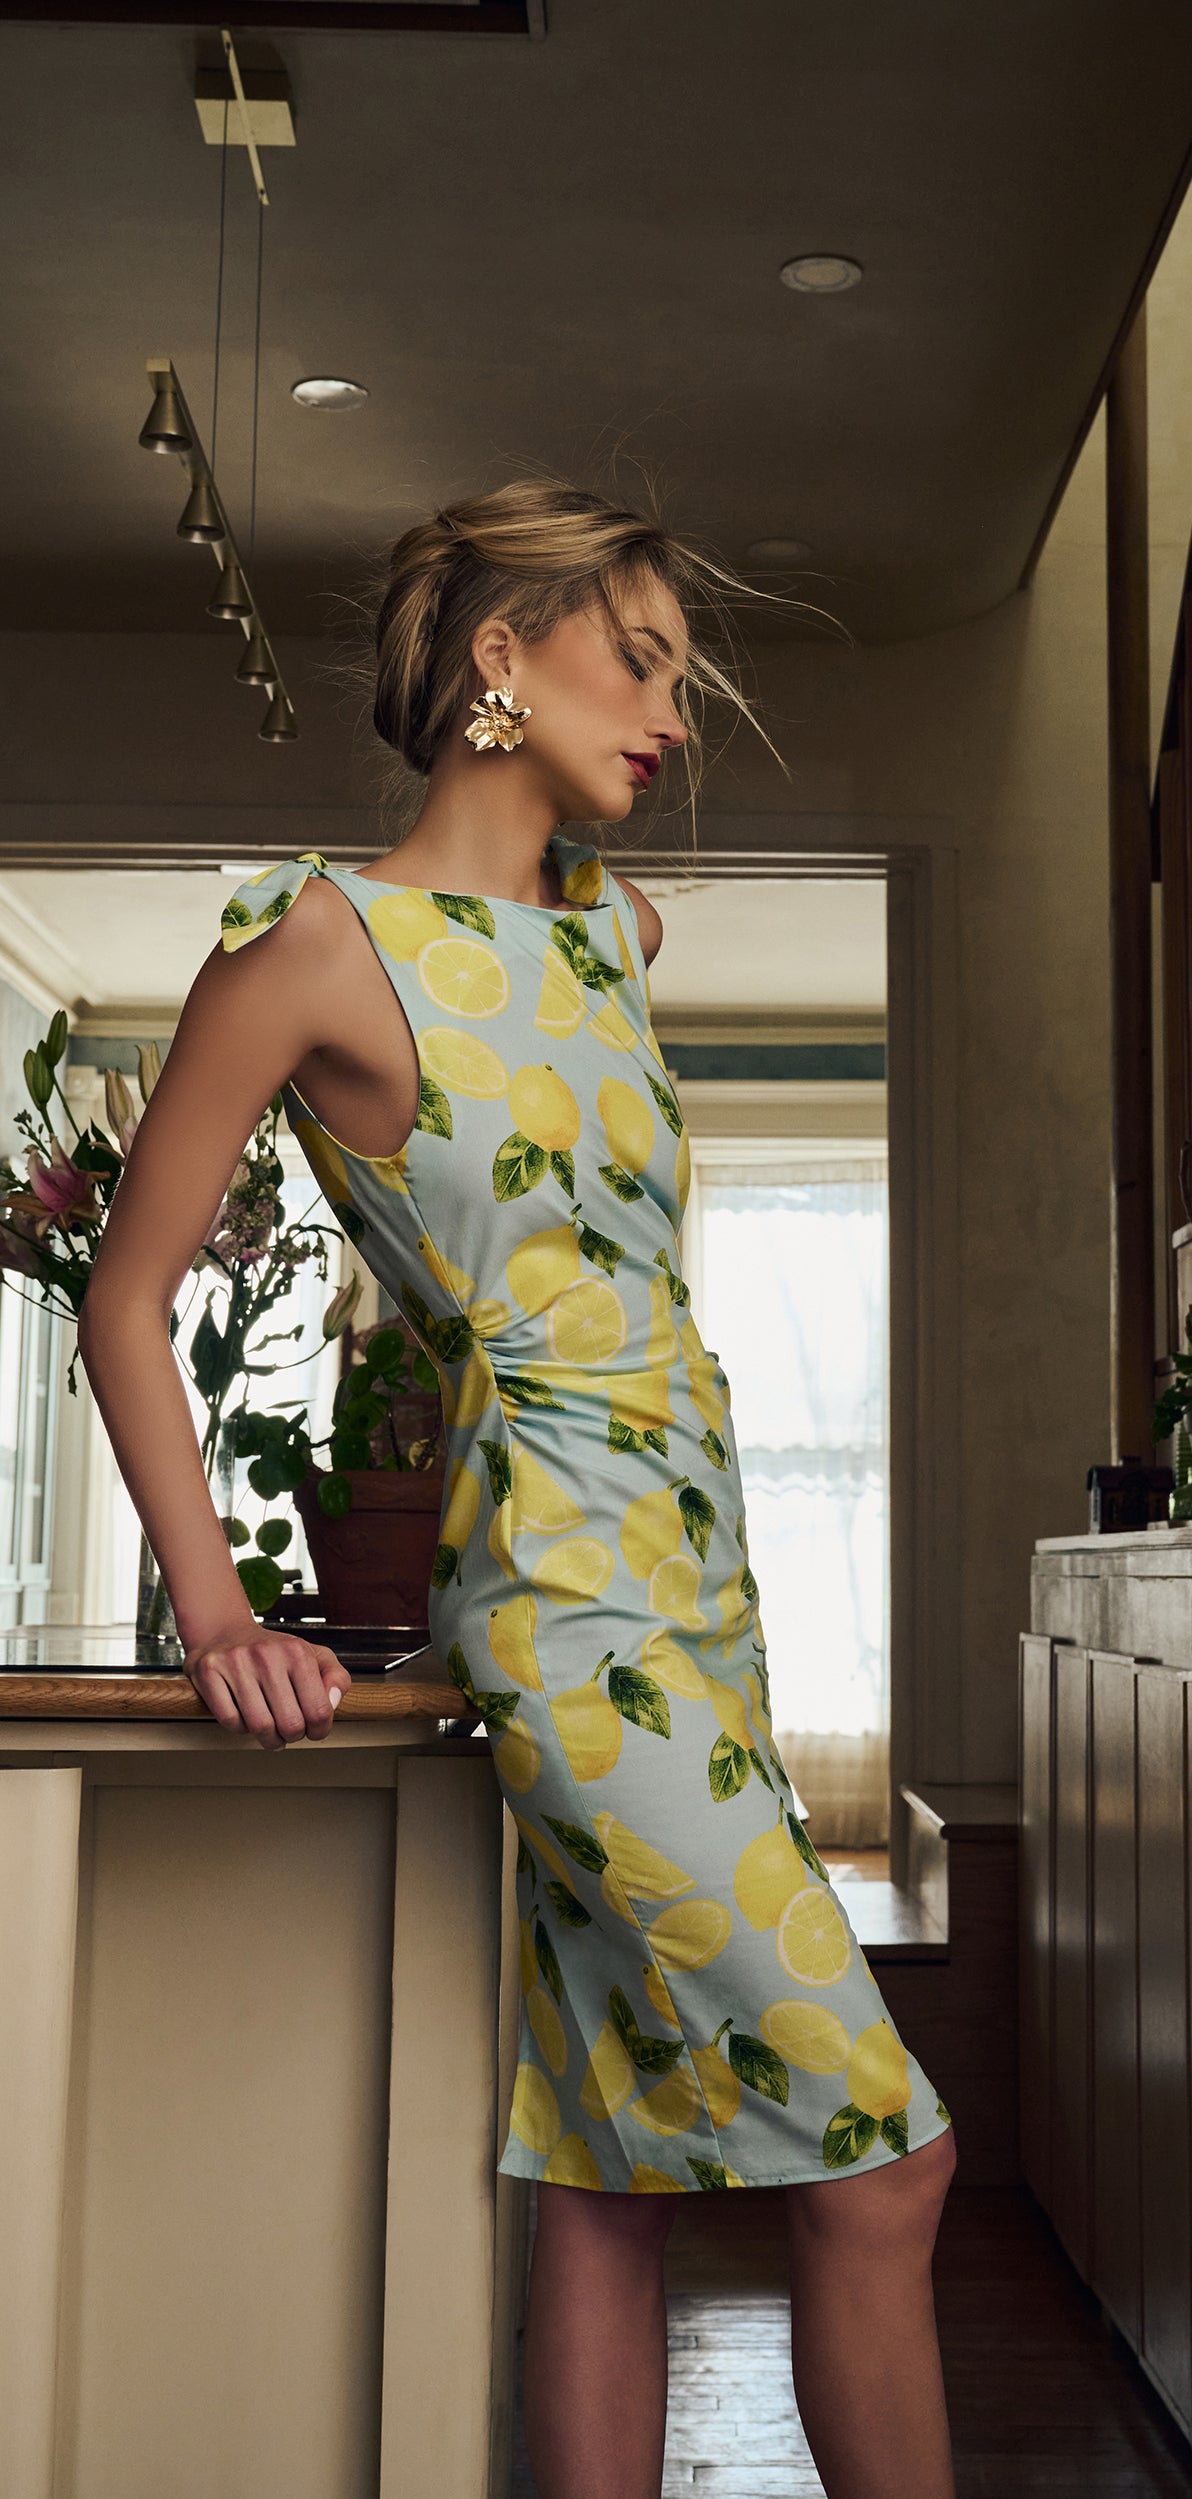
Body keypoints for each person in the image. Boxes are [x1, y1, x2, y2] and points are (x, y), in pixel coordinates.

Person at [80, 479, 958, 2499]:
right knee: (891, 2158)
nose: (669, 710)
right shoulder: (317, 947)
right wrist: (218, 1607)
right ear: (501, 656)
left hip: (704, 1607)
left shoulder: (610, 930)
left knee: (602, 2180)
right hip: (563, 1619)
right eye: (634, 659)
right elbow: (128, 1295)